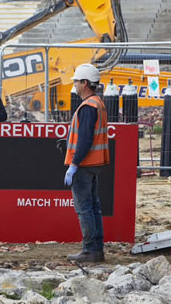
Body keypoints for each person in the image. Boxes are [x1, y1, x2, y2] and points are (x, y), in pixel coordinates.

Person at [63, 63, 109, 263]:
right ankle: (96, 249)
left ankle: (90, 249)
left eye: (76, 81)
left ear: (85, 83)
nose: (75, 84)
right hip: (94, 164)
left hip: (84, 165)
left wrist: (74, 164)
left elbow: (85, 139)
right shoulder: (97, 103)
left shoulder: (88, 106)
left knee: (84, 208)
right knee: (93, 207)